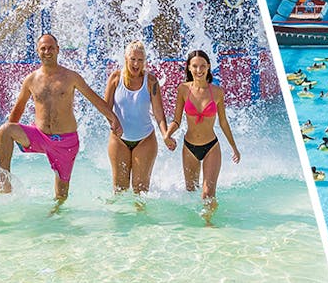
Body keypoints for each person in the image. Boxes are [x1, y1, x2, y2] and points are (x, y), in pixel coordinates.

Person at [0, 33, 121, 205]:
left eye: (51, 48)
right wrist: (5, 141)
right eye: (43, 48)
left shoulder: (71, 77)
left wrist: (113, 119)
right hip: (39, 136)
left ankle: (56, 218)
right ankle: (4, 181)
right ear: (38, 52)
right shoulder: (31, 79)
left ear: (58, 50)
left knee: (61, 196)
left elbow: (94, 99)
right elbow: (17, 111)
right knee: (5, 129)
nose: (47, 51)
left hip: (65, 141)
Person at [165, 50, 242, 219]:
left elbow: (223, 122)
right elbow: (176, 120)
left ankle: (208, 224)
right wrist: (167, 134)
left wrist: (234, 148)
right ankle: (194, 228)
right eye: (195, 66)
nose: (199, 70)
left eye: (202, 66)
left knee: (207, 194)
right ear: (189, 68)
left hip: (211, 147)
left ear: (208, 67)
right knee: (191, 192)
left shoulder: (217, 92)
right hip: (189, 148)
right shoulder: (183, 90)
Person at [103, 40, 169, 199]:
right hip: (119, 140)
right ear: (126, 58)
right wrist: (113, 122)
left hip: (145, 140)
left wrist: (165, 134)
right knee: (120, 191)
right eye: (133, 59)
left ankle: (143, 224)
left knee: (141, 193)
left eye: (140, 60)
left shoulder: (151, 81)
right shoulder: (115, 78)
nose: (136, 63)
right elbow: (106, 108)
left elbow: (159, 113)